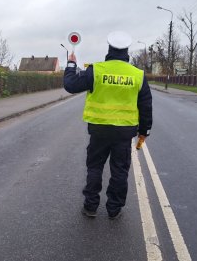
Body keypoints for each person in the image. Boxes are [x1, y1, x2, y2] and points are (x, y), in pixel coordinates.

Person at [63, 31, 152, 219]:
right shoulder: (137, 75)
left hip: (99, 130)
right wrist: (144, 131)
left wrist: (71, 63)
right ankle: (114, 209)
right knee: (119, 170)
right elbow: (145, 105)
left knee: (95, 167)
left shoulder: (97, 70)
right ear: (126, 51)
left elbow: (71, 85)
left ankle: (90, 206)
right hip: (124, 132)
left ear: (109, 48)